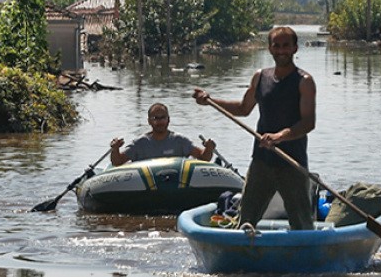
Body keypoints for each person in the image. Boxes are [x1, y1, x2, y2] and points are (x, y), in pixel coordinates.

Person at [193, 26, 317, 229]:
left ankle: (305, 254)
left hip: (292, 163)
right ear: (269, 48)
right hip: (262, 162)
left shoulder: (304, 82)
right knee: (246, 220)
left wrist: (279, 137)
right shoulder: (261, 77)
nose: (281, 50)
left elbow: (308, 122)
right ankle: (243, 252)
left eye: (286, 46)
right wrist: (210, 100)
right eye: (276, 46)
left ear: (295, 48)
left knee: (302, 224)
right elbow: (243, 109)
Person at [109, 102, 216, 166]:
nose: (159, 122)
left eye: (163, 118)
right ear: (149, 121)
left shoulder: (180, 141)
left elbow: (203, 157)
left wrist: (209, 148)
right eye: (155, 118)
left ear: (168, 120)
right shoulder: (140, 143)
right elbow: (117, 162)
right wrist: (115, 149)